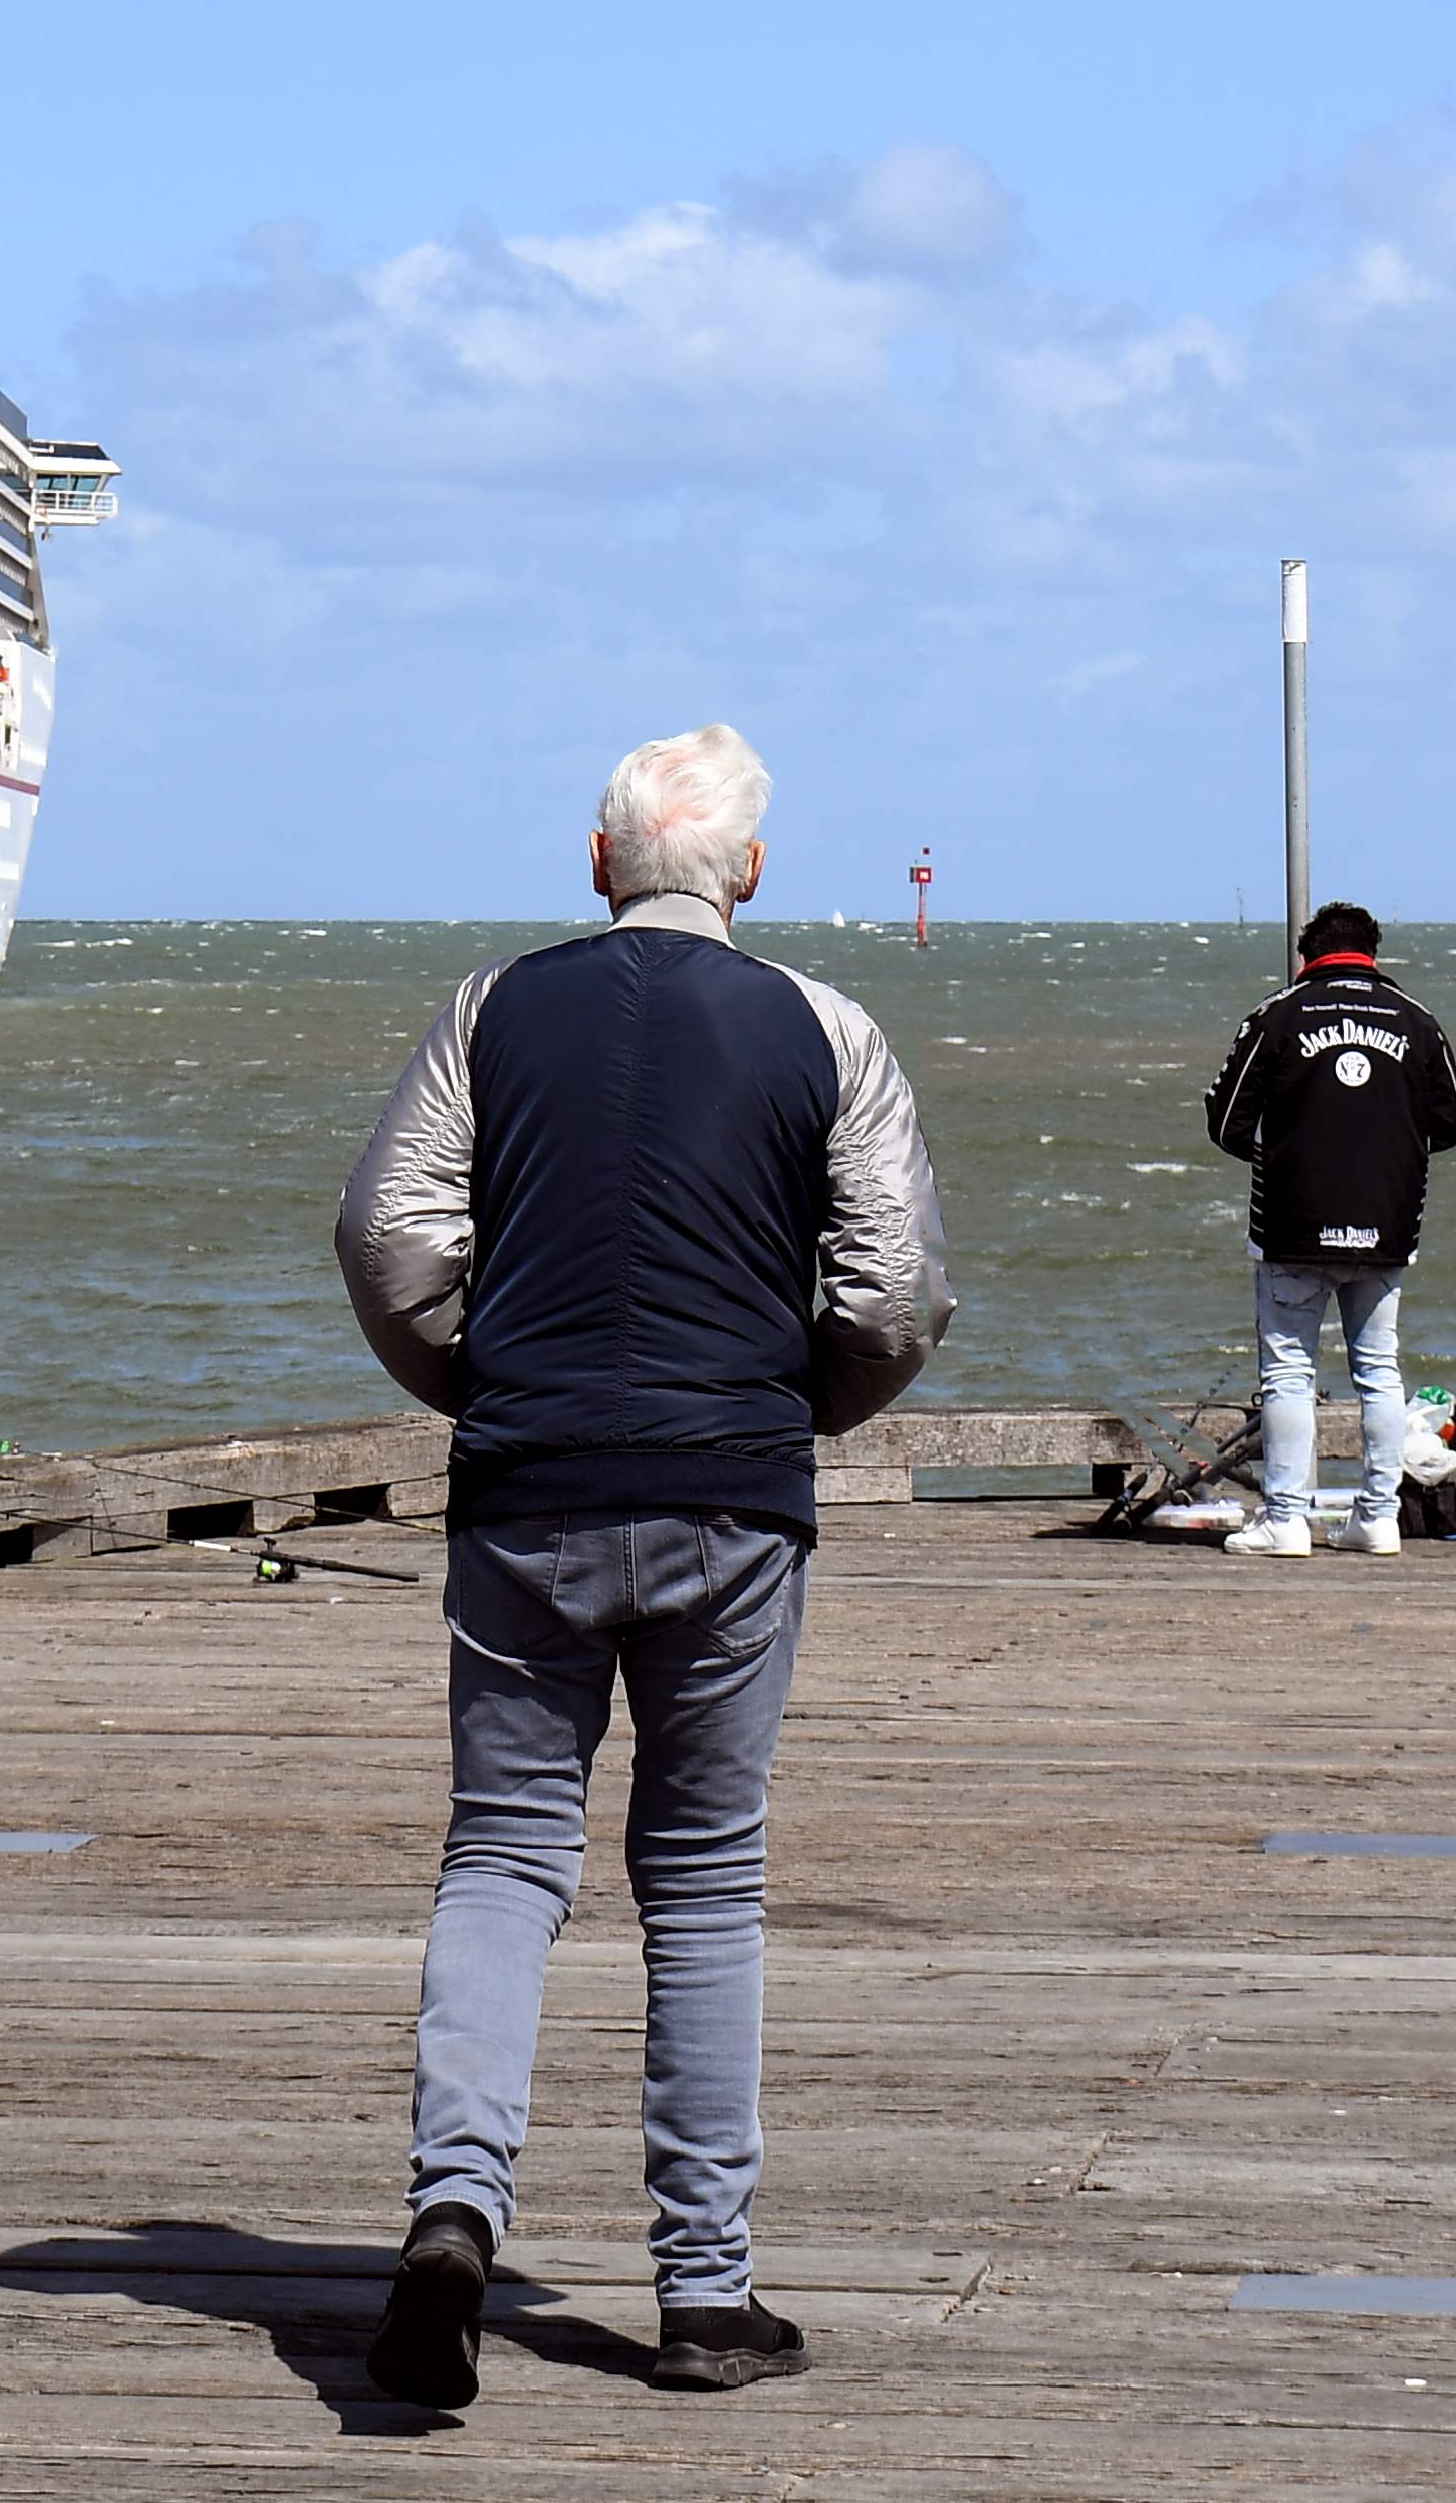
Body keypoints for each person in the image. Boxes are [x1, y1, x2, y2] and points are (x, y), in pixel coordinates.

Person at [333, 725, 953, 2408]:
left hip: (525, 1482)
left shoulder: (488, 1009)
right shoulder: (829, 1027)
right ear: (750, 872)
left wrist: (480, 1383)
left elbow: (390, 1234)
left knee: (502, 1855)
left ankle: (455, 2214)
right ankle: (704, 2292)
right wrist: (795, 1414)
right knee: (702, 1881)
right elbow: (893, 1292)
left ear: (597, 861)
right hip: (732, 1498)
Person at [1198, 902, 1456, 1558]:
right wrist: (1391, 1152)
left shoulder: (1276, 1016)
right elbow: (1454, 1121)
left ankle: (1285, 1519)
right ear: (1373, 954)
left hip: (1292, 1224)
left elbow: (1226, 1119)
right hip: (1386, 1224)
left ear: (1307, 956)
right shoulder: (1418, 1021)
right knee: (1378, 1370)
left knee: (1289, 1372)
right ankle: (1378, 1517)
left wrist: (1281, 1154)